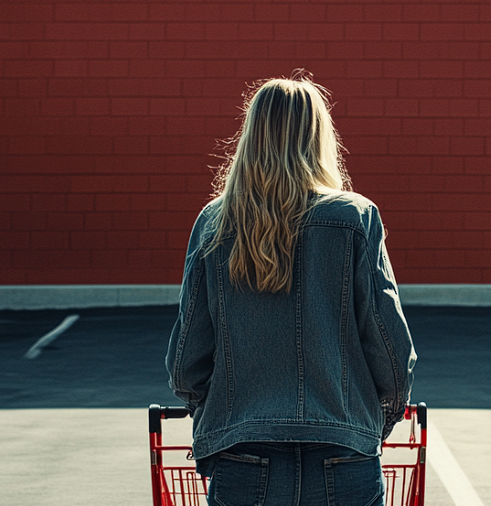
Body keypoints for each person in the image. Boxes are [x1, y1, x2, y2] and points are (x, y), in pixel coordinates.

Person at [167, 70, 415, 506]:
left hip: (243, 452)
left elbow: (187, 359)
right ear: (320, 137)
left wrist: (224, 412)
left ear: (251, 136)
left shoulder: (215, 223)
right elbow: (389, 344)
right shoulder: (354, 218)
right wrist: (376, 417)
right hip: (342, 449)